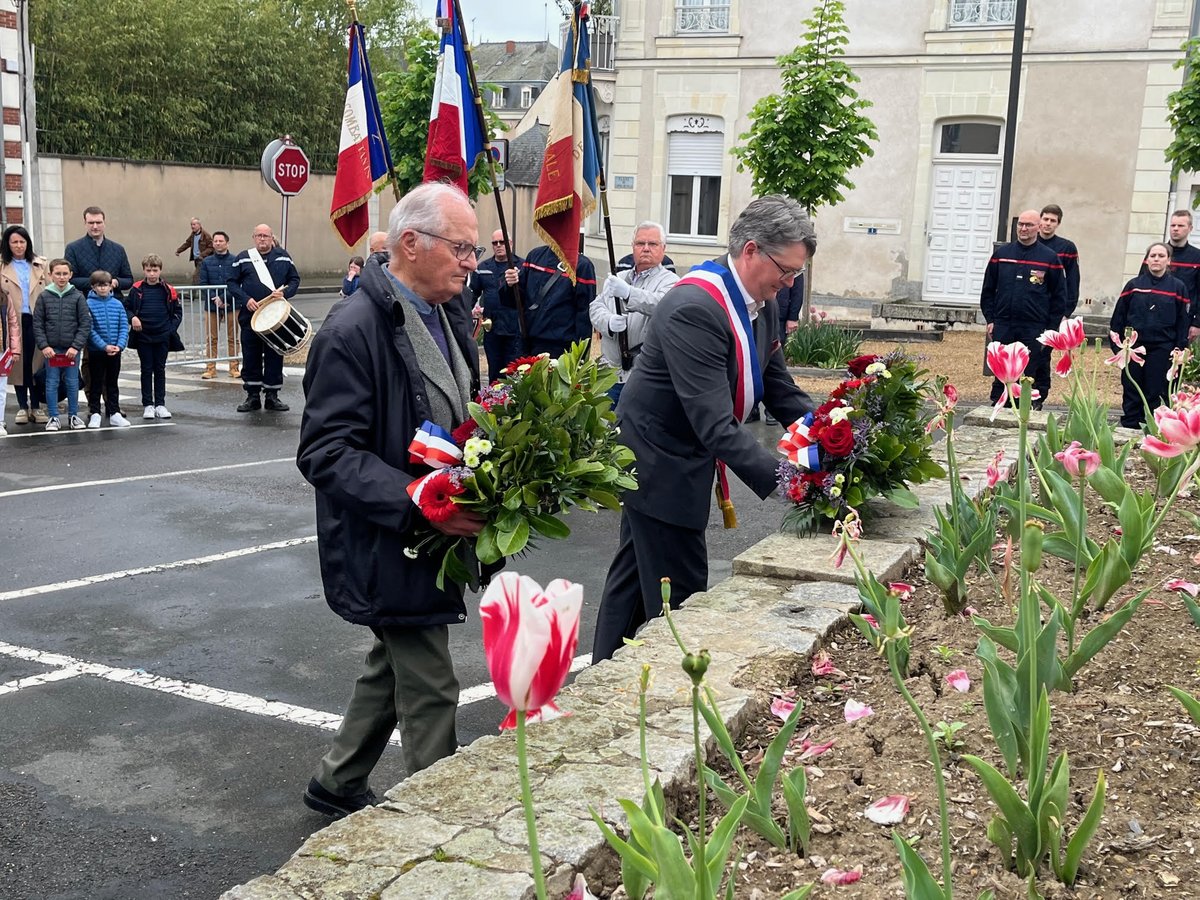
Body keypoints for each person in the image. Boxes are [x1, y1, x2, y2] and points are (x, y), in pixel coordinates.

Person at [296, 182, 484, 818]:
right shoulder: (351, 330)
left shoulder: (447, 311)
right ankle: (440, 824)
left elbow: (457, 409)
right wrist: (420, 497)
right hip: (388, 534)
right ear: (410, 243)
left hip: (432, 531)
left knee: (394, 657)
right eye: (461, 247)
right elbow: (325, 453)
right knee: (431, 685)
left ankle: (338, 782)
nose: (470, 261)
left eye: (474, 249)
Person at [591, 195, 818, 662]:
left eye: (797, 273)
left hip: (679, 450)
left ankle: (603, 678)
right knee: (682, 599)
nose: (790, 283)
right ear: (752, 250)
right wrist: (793, 483)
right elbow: (715, 424)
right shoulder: (696, 306)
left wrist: (836, 438)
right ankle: (670, 702)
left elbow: (779, 387)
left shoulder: (761, 300)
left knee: (634, 581)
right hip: (659, 461)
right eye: (787, 271)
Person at [980, 209, 1066, 410]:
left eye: (1029, 225)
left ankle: (1030, 406)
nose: (1024, 228)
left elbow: (1059, 297)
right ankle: (1000, 404)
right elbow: (988, 290)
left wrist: (1051, 329)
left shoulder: (1049, 258)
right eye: (1021, 224)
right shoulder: (1002, 255)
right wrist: (991, 319)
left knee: (1031, 370)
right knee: (1003, 370)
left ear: (1038, 227)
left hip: (1034, 327)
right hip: (1004, 324)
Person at [589, 221, 678, 406]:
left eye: (652, 244)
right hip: (611, 374)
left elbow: (660, 304)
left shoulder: (672, 282)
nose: (646, 249)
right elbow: (596, 308)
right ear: (633, 247)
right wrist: (608, 322)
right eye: (640, 243)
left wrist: (629, 294)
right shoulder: (618, 279)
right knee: (606, 430)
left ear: (663, 248)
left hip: (645, 376)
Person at [1110, 242, 1190, 429]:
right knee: (1132, 387)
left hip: (1162, 347)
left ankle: (1152, 427)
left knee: (1155, 389)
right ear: (1146, 260)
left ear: (1168, 260)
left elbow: (1182, 322)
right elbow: (1118, 317)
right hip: (1135, 347)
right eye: (1153, 255)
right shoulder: (1134, 285)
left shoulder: (1178, 288)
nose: (1156, 259)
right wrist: (1118, 347)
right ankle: (1130, 425)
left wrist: (1180, 347)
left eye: (1161, 256)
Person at [228, 224, 300, 412]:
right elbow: (232, 282)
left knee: (274, 355)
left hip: (276, 318)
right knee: (250, 356)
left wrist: (285, 293)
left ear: (271, 238)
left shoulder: (283, 256)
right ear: (253, 237)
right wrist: (246, 299)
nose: (262, 239)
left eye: (265, 236)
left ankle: (272, 395)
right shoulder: (244, 258)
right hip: (250, 316)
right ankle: (252, 396)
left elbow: (294, 280)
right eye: (259, 236)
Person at [504, 244, 596, 357]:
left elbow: (584, 315)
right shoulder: (535, 256)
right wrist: (510, 284)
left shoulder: (582, 266)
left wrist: (579, 356)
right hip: (528, 343)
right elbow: (514, 301)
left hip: (561, 349)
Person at [32, 259, 89, 432]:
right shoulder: (44, 296)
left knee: (72, 383)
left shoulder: (78, 296)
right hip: (52, 351)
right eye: (58, 273)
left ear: (71, 275)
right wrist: (44, 346)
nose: (62, 277)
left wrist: (76, 346)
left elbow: (85, 323)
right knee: (52, 383)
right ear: (50, 275)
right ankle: (54, 417)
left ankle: (73, 415)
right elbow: (38, 324)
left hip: (71, 350)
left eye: (65, 273)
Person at [0, 225, 50, 425]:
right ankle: (22, 405)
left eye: (22, 242)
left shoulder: (40, 264)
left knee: (36, 363)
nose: (19, 246)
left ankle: (36, 406)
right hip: (13, 319)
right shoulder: (2, 265)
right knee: (18, 363)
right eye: (15, 242)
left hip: (37, 318)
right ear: (8, 244)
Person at [126, 254, 183, 420]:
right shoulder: (136, 289)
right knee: (146, 369)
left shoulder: (168, 290)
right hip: (143, 336)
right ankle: (148, 405)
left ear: (160, 270)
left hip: (162, 335)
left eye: (155, 270)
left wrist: (170, 329)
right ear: (144, 270)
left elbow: (177, 312)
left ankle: (160, 404)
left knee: (160, 370)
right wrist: (133, 318)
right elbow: (127, 308)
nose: (151, 274)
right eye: (148, 270)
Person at [474, 230, 523, 382]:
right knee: (494, 374)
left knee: (513, 374)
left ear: (510, 244)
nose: (499, 246)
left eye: (502, 242)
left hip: (514, 330)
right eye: (495, 243)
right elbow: (472, 294)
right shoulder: (483, 267)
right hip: (492, 331)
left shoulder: (521, 266)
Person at [84, 269, 131, 428]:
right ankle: (95, 412)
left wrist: (119, 345)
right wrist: (104, 346)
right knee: (96, 382)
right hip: (97, 351)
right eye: (99, 286)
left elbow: (124, 326)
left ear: (111, 286)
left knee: (112, 382)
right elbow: (89, 329)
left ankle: (114, 412)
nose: (103, 288)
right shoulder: (88, 304)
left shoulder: (117, 304)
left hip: (115, 351)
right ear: (93, 287)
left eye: (106, 285)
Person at [761, 274, 806, 425]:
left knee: (771, 361)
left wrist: (792, 317)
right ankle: (752, 409)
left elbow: (797, 291)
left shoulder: (794, 265)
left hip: (780, 316)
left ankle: (771, 412)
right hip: (762, 312)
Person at [63, 207, 134, 298]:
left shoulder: (118, 249)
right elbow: (70, 280)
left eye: (98, 222)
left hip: (114, 303)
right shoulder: (73, 249)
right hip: (84, 303)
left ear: (104, 223)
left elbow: (128, 280)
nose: (95, 226)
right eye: (91, 223)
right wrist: (98, 283)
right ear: (85, 223)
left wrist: (116, 282)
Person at [197, 230, 240, 379]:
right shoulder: (207, 262)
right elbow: (203, 284)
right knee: (211, 337)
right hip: (212, 305)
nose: (218, 243)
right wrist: (215, 298)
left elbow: (236, 282)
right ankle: (210, 368)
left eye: (221, 241)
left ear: (227, 243)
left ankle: (234, 368)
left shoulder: (235, 261)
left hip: (232, 304)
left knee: (233, 337)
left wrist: (224, 298)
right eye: (215, 241)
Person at [1164, 209, 1200, 343]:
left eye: (1180, 226)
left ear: (1190, 228)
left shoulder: (1197, 257)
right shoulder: (1157, 253)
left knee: (1178, 361)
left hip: (1183, 320)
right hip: (1155, 318)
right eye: (1173, 225)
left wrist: (1197, 323)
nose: (1175, 229)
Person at [174, 217, 213, 283]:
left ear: (199, 225)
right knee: (202, 276)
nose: (192, 226)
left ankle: (193, 292)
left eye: (194, 224)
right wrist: (179, 251)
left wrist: (202, 255)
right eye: (191, 224)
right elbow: (187, 243)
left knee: (196, 276)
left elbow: (211, 247)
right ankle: (203, 291)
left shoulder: (206, 235)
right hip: (196, 259)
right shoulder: (193, 235)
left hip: (203, 259)